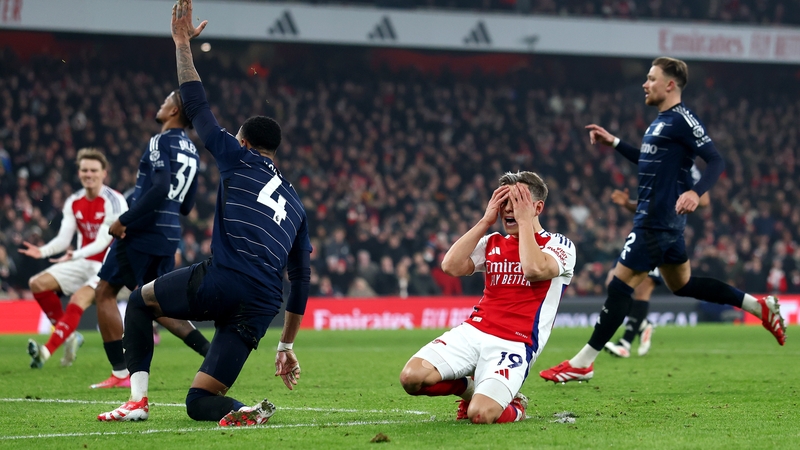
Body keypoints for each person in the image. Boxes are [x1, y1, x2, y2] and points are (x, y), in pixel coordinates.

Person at [98, 0, 311, 426]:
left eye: (235, 137)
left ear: (246, 143)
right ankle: (242, 412)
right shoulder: (296, 203)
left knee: (139, 303)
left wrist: (181, 44)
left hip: (228, 278)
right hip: (264, 302)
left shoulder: (239, 157)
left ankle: (136, 402)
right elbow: (300, 279)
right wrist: (286, 346)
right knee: (200, 402)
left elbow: (196, 106)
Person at [540, 57, 785, 384]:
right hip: (661, 222)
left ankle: (583, 362)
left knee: (619, 283)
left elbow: (715, 159)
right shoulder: (660, 122)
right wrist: (613, 142)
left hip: (656, 222)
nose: (645, 83)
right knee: (682, 284)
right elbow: (646, 159)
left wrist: (696, 193)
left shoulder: (683, 119)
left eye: (651, 78)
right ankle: (759, 306)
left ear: (670, 84)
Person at [399, 171, 576, 424]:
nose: (508, 209)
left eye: (517, 201)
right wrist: (484, 221)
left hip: (515, 343)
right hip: (474, 331)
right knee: (412, 378)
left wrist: (525, 223)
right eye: (504, 201)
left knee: (480, 415)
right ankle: (468, 389)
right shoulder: (493, 241)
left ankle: (515, 406)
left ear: (537, 207)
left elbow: (534, 269)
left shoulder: (559, 245)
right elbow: (450, 266)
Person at [91, 78, 210, 389]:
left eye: (164, 101)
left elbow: (158, 188)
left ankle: (120, 373)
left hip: (141, 233)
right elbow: (187, 206)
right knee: (155, 302)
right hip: (170, 234)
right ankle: (210, 352)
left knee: (105, 292)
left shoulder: (160, 142)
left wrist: (124, 219)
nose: (159, 105)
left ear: (172, 110)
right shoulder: (192, 150)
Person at [22, 148, 127, 368]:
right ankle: (69, 336)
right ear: (79, 173)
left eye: (94, 170)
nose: (89, 174)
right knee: (37, 283)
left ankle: (45, 352)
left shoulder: (114, 201)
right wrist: (42, 252)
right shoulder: (74, 201)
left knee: (78, 299)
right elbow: (63, 238)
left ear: (104, 173)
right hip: (83, 262)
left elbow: (103, 240)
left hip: (109, 264)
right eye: (85, 170)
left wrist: (76, 253)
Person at [603, 167, 710, 358]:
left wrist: (688, 195)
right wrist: (628, 204)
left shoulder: (685, 165)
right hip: (641, 233)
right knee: (613, 283)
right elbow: (647, 207)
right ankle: (642, 324)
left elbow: (705, 200)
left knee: (643, 287)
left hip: (663, 237)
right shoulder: (656, 163)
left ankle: (625, 342)